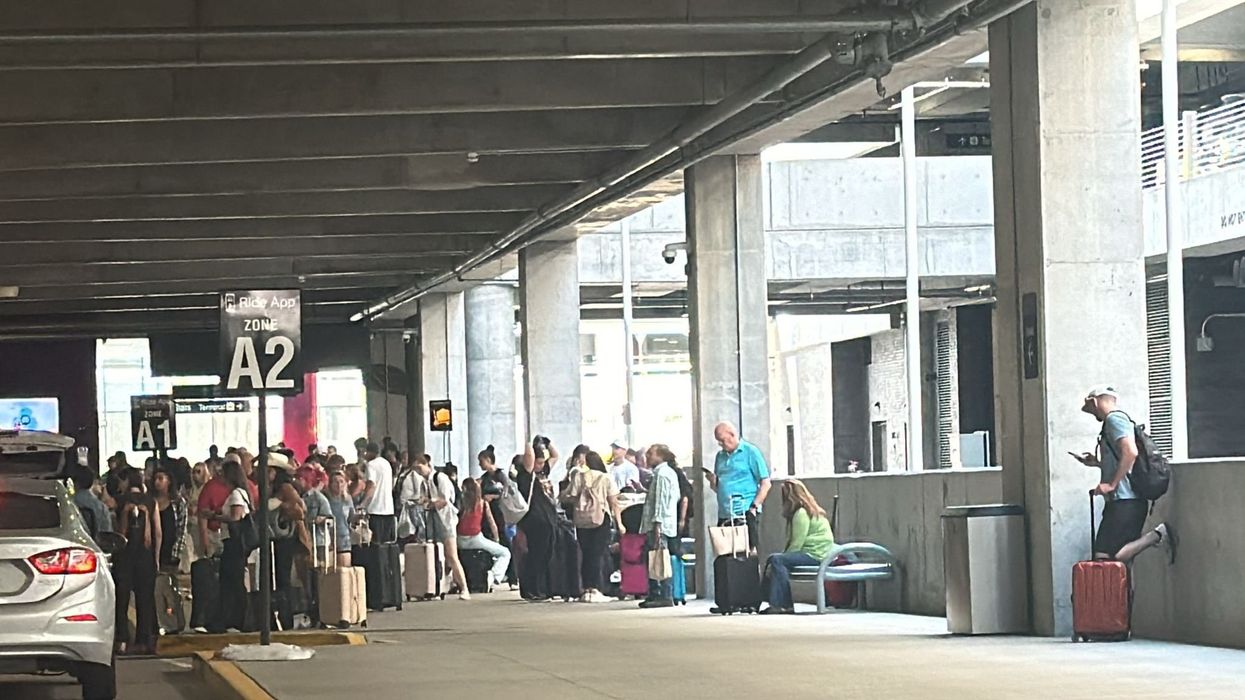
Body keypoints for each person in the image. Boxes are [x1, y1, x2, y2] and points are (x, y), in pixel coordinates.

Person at [1072, 387, 1177, 563]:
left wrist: (1111, 484)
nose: (1091, 413)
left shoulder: (1115, 420)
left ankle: (1157, 535)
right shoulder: (1112, 422)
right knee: (1104, 558)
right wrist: (1097, 463)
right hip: (1119, 501)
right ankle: (1122, 590)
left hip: (1128, 501)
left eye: (1089, 408)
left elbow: (1130, 452)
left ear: (1094, 401)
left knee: (1114, 558)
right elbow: (1123, 458)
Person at [760, 480, 835, 615]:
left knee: (777, 560)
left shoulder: (801, 513)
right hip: (817, 553)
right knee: (775, 559)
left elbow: (797, 544)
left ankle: (781, 603)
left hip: (814, 555)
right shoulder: (809, 511)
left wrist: (783, 557)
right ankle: (776, 602)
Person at [561, 451, 625, 603]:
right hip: (601, 518)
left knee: (585, 553)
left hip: (582, 520)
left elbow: (569, 496)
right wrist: (620, 523)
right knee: (597, 553)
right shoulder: (606, 477)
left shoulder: (579, 476)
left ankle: (586, 589)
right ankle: (595, 589)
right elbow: (614, 502)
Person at [113, 471, 161, 655]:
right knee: (145, 600)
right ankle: (144, 640)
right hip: (145, 557)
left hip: (124, 557)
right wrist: (156, 557)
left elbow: (116, 530)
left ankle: (122, 640)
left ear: (126, 481)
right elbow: (157, 532)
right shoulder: (151, 501)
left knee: (122, 600)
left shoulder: (120, 500)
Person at [704, 422, 771, 553]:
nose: (721, 445)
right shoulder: (720, 456)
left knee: (747, 551)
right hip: (725, 512)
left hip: (745, 510)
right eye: (718, 442)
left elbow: (765, 482)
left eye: (723, 440)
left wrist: (754, 507)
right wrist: (713, 482)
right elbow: (719, 488)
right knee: (725, 552)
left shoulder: (750, 451)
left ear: (732, 435)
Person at [412, 455, 471, 600]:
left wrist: (430, 502)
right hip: (432, 519)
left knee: (451, 555)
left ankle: (464, 588)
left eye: (420, 467)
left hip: (446, 520)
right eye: (416, 469)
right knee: (436, 555)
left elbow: (445, 500)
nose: (419, 471)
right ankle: (438, 588)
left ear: (427, 464)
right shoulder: (424, 483)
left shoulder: (440, 478)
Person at [515, 436, 560, 601]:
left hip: (548, 519)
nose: (541, 466)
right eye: (538, 462)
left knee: (546, 554)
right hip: (534, 520)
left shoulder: (543, 472)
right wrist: (530, 443)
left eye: (542, 463)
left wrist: (547, 443)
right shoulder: (525, 475)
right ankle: (531, 588)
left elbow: (555, 456)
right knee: (536, 554)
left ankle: (542, 587)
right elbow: (529, 459)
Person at [639, 445, 683, 609]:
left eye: (651, 454)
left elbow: (662, 501)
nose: (647, 456)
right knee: (654, 557)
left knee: (659, 558)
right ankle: (656, 593)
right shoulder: (664, 473)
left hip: (659, 524)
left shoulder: (663, 474)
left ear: (661, 456)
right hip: (662, 522)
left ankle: (663, 594)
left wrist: (658, 523)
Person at [217, 459, 254, 633]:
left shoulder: (236, 495)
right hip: (235, 543)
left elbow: (236, 517)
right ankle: (232, 618)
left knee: (233, 580)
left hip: (234, 542)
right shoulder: (241, 493)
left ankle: (238, 619)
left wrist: (215, 516)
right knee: (233, 579)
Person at [456, 478, 511, 590]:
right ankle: (494, 576)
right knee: (505, 553)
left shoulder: (460, 503)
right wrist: (496, 539)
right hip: (476, 539)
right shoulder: (482, 503)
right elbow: (492, 524)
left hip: (459, 540)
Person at [151, 469, 186, 573]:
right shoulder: (150, 501)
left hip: (171, 549)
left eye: (160, 478)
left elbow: (182, 528)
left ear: (169, 481)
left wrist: (176, 553)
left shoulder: (178, 502)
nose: (157, 482)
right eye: (155, 479)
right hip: (153, 548)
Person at [361, 442, 396, 544]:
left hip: (375, 509)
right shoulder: (386, 464)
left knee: (375, 543)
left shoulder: (371, 465)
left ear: (369, 452)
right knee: (385, 543)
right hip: (389, 509)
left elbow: (371, 484)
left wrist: (363, 504)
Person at [71, 466, 112, 543]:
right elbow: (107, 535)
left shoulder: (69, 503)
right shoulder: (101, 507)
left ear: (75, 483)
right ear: (92, 482)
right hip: (95, 548)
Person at [325, 471, 353, 568]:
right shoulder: (326, 500)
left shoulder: (348, 500)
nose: (338, 485)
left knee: (344, 570)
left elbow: (351, 518)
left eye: (341, 481)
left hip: (345, 539)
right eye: (335, 482)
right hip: (330, 539)